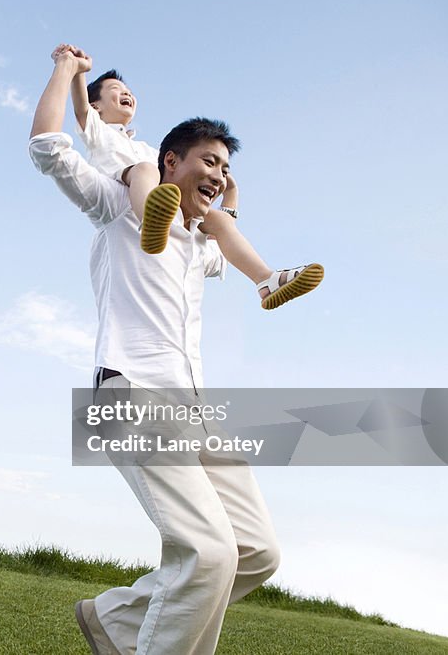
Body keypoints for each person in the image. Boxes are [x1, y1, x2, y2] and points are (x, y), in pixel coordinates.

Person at [29, 48, 280, 654]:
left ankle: (115, 619)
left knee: (255, 552)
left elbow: (229, 240)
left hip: (191, 403)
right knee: (209, 552)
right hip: (130, 391)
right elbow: (49, 148)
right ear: (170, 161)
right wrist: (67, 71)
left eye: (224, 166)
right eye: (208, 161)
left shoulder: (197, 241)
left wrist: (231, 207)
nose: (217, 174)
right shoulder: (117, 203)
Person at [54, 43, 323, 310]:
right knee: (146, 170)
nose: (126, 94)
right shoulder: (100, 131)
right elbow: (80, 109)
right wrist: (80, 71)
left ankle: (265, 279)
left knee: (215, 218)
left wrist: (229, 190)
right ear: (97, 106)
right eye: (116, 90)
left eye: (129, 92)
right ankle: (151, 222)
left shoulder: (149, 149)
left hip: (166, 202)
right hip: (124, 188)